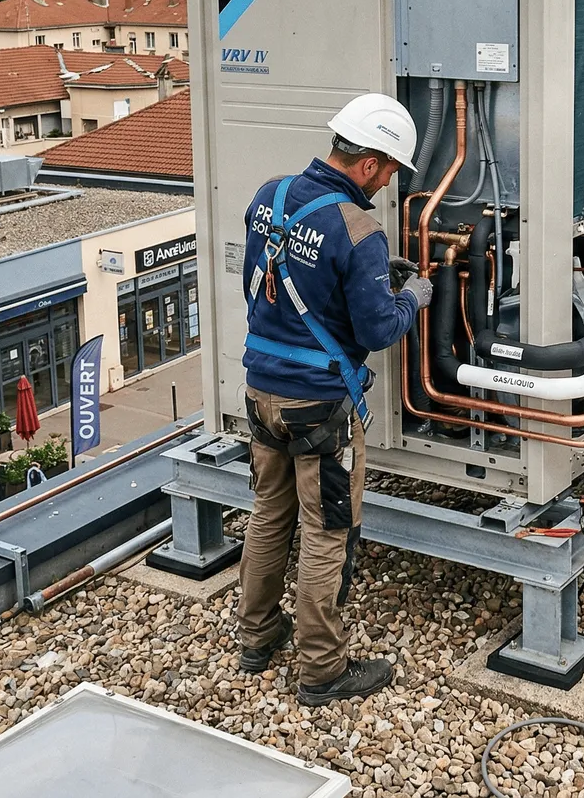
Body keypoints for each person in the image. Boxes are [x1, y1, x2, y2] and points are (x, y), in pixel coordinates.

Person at [235, 92, 431, 707]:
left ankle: (257, 638)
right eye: (392, 170)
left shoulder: (269, 194)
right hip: (319, 405)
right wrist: (412, 298)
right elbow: (376, 331)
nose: (389, 182)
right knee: (327, 530)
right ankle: (322, 669)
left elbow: (270, 278)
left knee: (270, 512)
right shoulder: (360, 229)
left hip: (261, 388)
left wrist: (368, 276)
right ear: (370, 162)